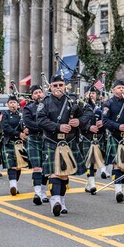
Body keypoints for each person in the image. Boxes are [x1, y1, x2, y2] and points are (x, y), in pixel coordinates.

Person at [36, 74, 92, 216]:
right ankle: (55, 201)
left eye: (61, 85)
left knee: (65, 175)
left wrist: (79, 121)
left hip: (69, 141)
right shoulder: (45, 102)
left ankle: (62, 200)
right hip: (52, 141)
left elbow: (89, 111)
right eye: (55, 86)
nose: (58, 88)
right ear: (50, 87)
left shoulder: (73, 100)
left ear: (65, 86)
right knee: (55, 172)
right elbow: (40, 120)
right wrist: (58, 127)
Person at [102, 80, 124, 203]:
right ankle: (118, 190)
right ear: (113, 89)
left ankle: (120, 188)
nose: (121, 89)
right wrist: (118, 126)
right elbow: (105, 121)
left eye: (122, 88)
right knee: (117, 164)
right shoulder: (108, 104)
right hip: (115, 136)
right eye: (118, 88)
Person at [22, 85, 48, 204]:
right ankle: (37, 193)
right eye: (36, 93)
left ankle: (43, 193)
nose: (38, 94)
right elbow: (28, 122)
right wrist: (43, 125)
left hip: (47, 139)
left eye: (40, 92)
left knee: (46, 167)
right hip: (34, 138)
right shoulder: (28, 108)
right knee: (37, 167)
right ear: (32, 96)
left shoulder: (48, 106)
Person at [79, 86, 105, 194]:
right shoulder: (81, 106)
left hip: (98, 137)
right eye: (89, 93)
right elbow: (78, 123)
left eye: (93, 93)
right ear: (85, 95)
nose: (91, 95)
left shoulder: (101, 107)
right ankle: (92, 184)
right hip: (86, 136)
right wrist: (88, 128)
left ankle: (89, 183)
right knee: (89, 161)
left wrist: (103, 123)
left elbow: (107, 119)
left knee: (93, 162)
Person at [1, 94, 28, 196]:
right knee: (11, 165)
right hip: (9, 141)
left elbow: (25, 125)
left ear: (18, 104)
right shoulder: (5, 114)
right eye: (11, 103)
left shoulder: (21, 114)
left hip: (20, 143)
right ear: (7, 104)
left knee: (19, 165)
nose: (13, 105)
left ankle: (15, 184)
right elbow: (5, 127)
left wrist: (25, 130)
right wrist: (18, 133)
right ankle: (13, 185)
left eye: (14, 103)